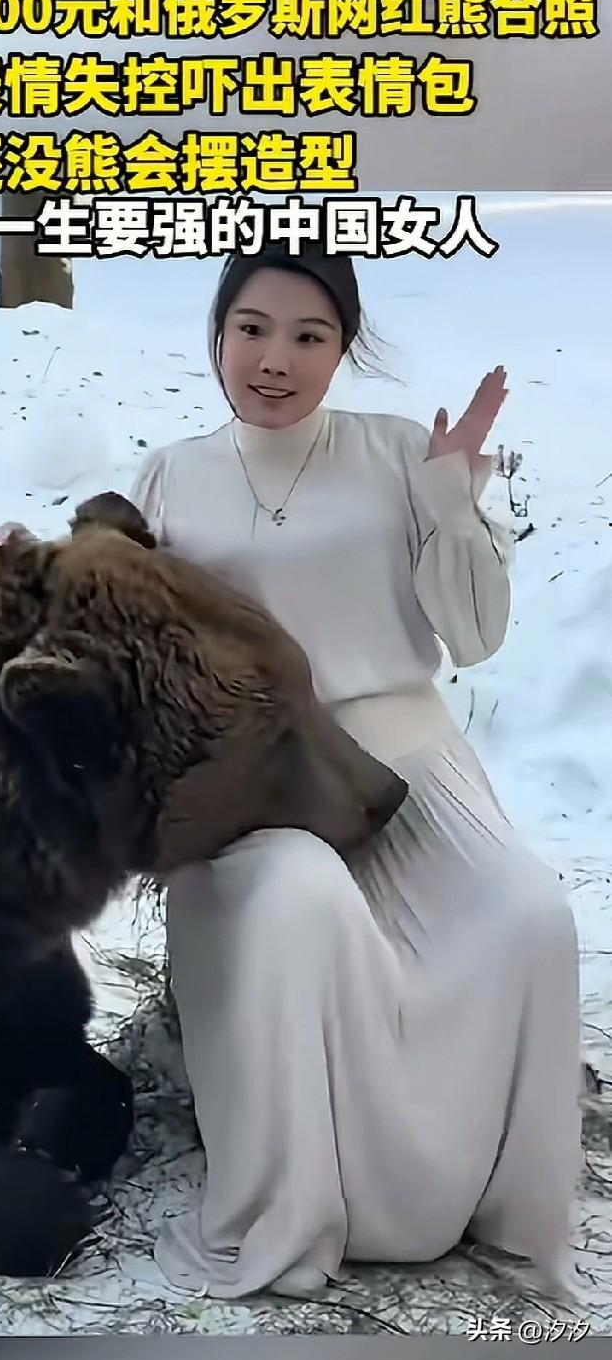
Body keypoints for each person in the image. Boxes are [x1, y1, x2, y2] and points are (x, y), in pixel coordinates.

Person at [120, 243, 583, 1302]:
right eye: (251, 330)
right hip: (253, 778)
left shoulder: (395, 454)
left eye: (308, 336)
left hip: (408, 760)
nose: (273, 360)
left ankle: (493, 1197)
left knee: (527, 914)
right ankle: (306, 1205)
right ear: (218, 334)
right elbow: (122, 626)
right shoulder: (171, 475)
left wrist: (455, 499)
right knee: (301, 908)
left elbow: (475, 636)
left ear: (343, 348)